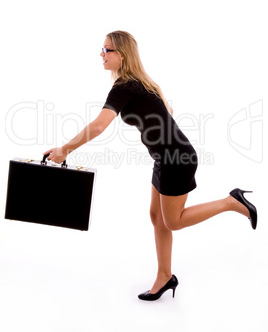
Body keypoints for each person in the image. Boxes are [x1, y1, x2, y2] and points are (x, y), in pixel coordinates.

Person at [44, 30, 257, 301]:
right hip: (165, 158)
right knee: (157, 218)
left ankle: (231, 201)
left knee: (173, 221)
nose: (102, 54)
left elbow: (99, 126)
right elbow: (166, 114)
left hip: (176, 158)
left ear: (122, 54)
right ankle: (164, 276)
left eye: (107, 49)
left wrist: (64, 150)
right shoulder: (139, 83)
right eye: (103, 49)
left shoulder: (125, 86)